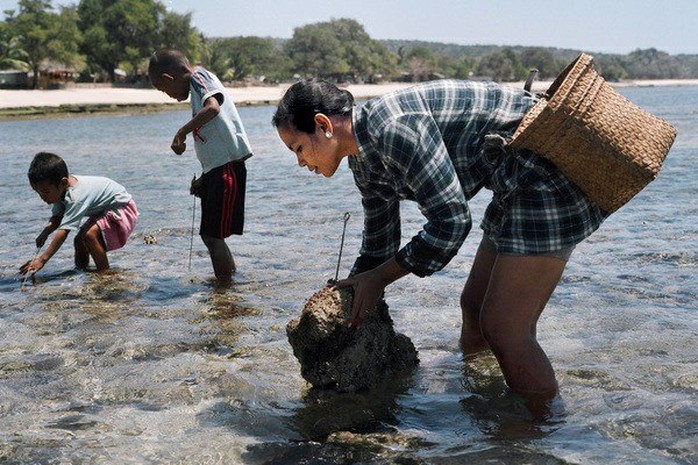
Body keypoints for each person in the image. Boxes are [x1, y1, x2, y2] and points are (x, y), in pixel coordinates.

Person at [272, 79, 608, 412]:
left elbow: (451, 223)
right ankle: (480, 396)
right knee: (474, 310)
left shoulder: (393, 129)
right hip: (513, 184)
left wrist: (378, 279)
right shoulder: (364, 160)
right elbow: (378, 245)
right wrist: (351, 292)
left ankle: (537, 429)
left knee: (504, 328)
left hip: (548, 174)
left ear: (323, 125)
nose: (301, 162)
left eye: (298, 148)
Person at [148, 49, 253, 285]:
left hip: (227, 169)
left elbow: (214, 108)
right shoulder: (198, 84)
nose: (169, 95)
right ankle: (228, 284)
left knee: (212, 236)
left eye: (164, 90)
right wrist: (205, 178)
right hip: (219, 169)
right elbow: (215, 136)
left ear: (168, 78)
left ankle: (224, 291)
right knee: (212, 237)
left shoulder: (198, 78)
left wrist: (181, 132)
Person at [19, 152, 139, 276]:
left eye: (45, 192)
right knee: (79, 241)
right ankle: (81, 272)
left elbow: (64, 230)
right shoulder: (61, 189)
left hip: (122, 208)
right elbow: (57, 218)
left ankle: (104, 273)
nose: (42, 197)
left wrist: (42, 260)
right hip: (104, 210)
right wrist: (45, 232)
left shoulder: (77, 197)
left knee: (89, 235)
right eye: (37, 192)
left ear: (63, 183)